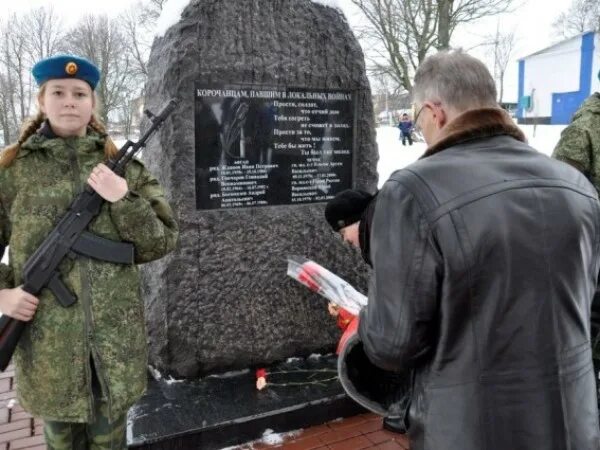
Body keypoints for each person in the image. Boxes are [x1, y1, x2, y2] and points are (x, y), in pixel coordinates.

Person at [341, 50, 600, 450]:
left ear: (434, 111)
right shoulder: (576, 186)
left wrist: (358, 329)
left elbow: (392, 344)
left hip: (470, 429)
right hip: (573, 424)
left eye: (418, 115)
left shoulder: (411, 192)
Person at [0, 55, 179, 449]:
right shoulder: (12, 169)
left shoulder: (125, 169)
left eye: (80, 94)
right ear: (41, 101)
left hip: (113, 347)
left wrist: (122, 199)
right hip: (49, 350)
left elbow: (162, 241)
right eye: (58, 93)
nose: (69, 101)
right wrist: (5, 294)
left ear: (92, 103)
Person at [325, 189, 409, 435]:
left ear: (354, 221)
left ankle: (408, 406)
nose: (345, 241)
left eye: (342, 233)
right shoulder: (387, 228)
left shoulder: (387, 240)